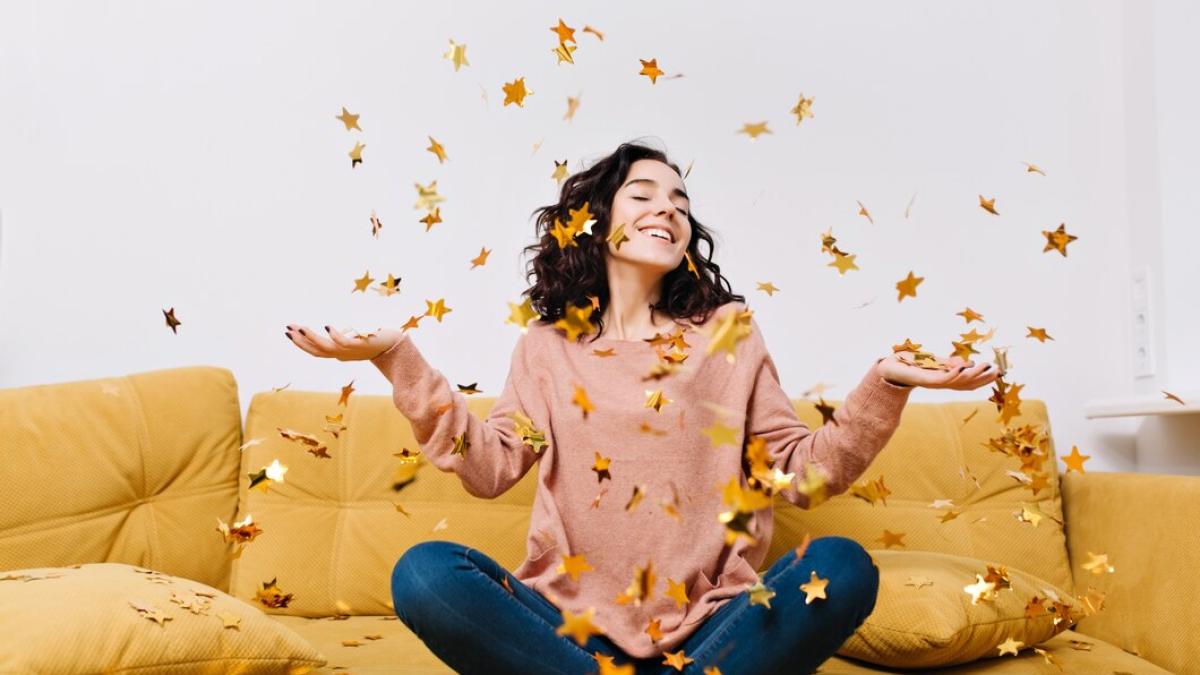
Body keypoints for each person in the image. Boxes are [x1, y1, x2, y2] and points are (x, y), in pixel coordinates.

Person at [285, 141, 1001, 674]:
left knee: (843, 565)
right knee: (423, 573)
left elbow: (801, 474)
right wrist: (397, 355)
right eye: (645, 193)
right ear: (596, 221)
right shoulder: (546, 348)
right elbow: (491, 464)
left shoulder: (729, 337)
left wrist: (887, 382)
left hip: (714, 634)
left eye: (681, 200)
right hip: (567, 635)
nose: (669, 207)